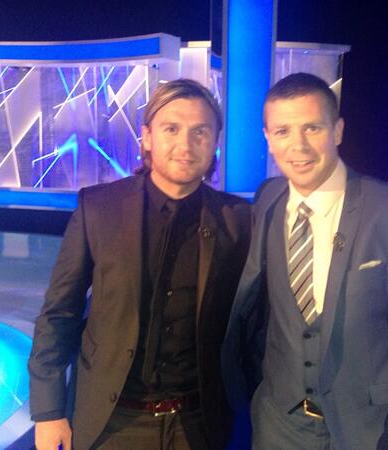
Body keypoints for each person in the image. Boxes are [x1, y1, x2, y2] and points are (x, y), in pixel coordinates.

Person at [222, 73, 388, 449]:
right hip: (278, 426)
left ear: (337, 131)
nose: (298, 146)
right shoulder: (268, 200)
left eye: (312, 128)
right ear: (268, 138)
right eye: (283, 131)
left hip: (370, 431)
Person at [28, 79, 251, 450]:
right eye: (171, 129)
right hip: (113, 423)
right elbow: (58, 313)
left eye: (200, 131)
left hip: (199, 424)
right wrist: (49, 411)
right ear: (147, 137)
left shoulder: (239, 220)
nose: (185, 144)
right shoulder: (98, 208)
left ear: (215, 141)